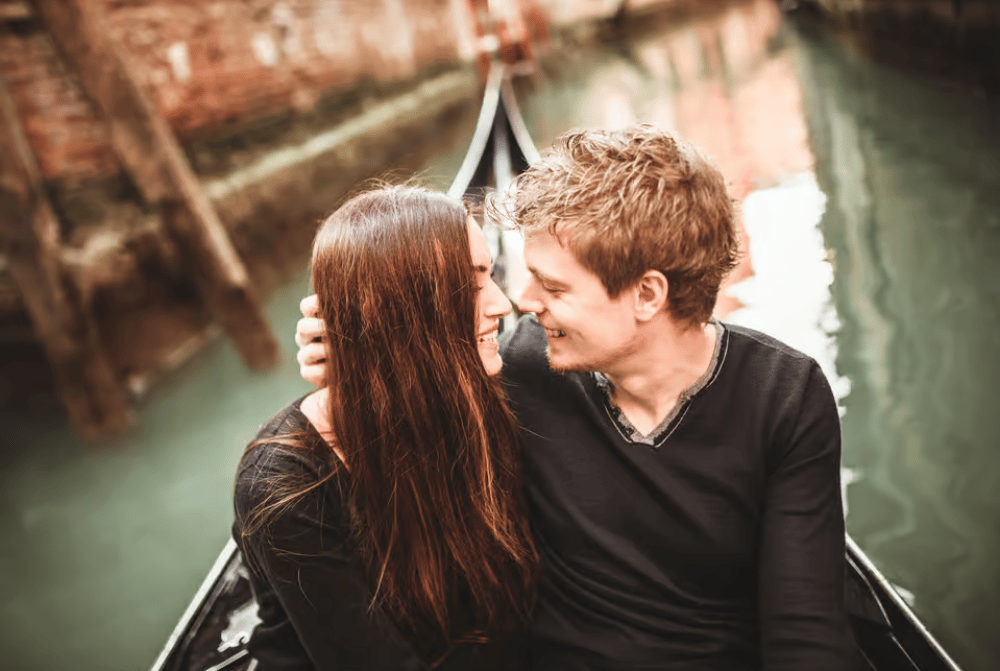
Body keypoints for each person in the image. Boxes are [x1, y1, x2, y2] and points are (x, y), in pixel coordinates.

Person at [297, 125, 853, 670]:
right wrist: (350, 350)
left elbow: (804, 629)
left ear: (646, 294)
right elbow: (407, 383)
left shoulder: (784, 396)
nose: (521, 300)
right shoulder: (522, 362)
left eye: (553, 286)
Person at [234, 185, 538, 671]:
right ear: (402, 309)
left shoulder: (491, 386)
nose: (504, 306)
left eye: (493, 275)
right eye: (471, 284)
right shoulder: (286, 483)